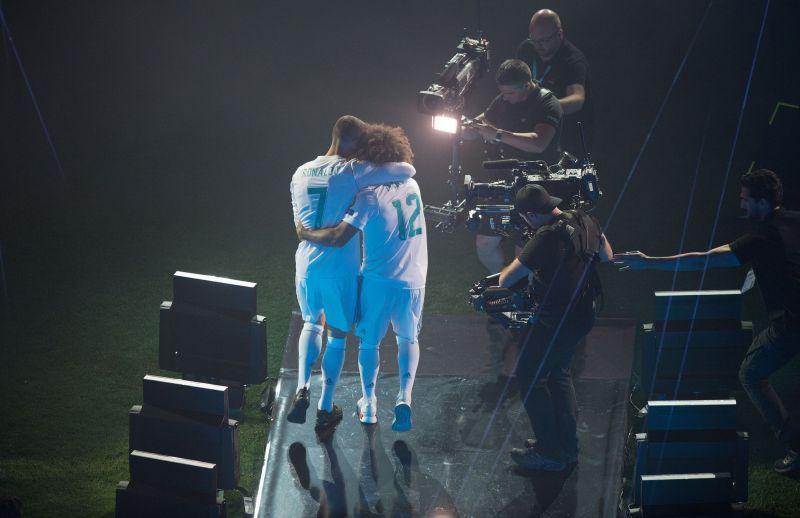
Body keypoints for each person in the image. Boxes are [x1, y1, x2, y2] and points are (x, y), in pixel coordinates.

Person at [615, 169, 800, 473]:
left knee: (751, 374)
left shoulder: (760, 238)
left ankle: (795, 444)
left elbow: (703, 259)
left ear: (763, 202)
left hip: (791, 324)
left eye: (745, 200)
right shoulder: (794, 219)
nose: (741, 205)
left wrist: (648, 263)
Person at [289, 116, 415, 438]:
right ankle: (324, 407)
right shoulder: (352, 171)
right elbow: (405, 170)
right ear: (353, 144)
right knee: (337, 335)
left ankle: (302, 387)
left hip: (305, 265)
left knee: (310, 323)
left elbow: (299, 227)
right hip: (339, 271)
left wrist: (307, 234)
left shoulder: (300, 172)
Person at [497, 183, 612, 471]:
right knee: (559, 374)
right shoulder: (585, 218)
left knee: (529, 378)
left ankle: (550, 452)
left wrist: (526, 256)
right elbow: (607, 255)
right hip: (584, 314)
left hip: (556, 320)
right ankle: (566, 448)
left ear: (531, 216)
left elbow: (505, 280)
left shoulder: (546, 235)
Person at [470, 58, 563, 274]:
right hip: (505, 184)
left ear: (526, 84)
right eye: (502, 92)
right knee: (484, 245)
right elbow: (484, 119)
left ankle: (524, 294)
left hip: (536, 186)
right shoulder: (504, 100)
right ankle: (507, 285)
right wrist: (469, 127)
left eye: (510, 93)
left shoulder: (548, 103)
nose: (505, 97)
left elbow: (539, 143)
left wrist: (498, 135)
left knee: (525, 255)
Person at [517, 9, 591, 153]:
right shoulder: (526, 49)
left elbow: (577, 100)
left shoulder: (573, 60)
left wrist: (545, 108)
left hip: (567, 137)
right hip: (532, 132)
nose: (538, 46)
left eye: (544, 41)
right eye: (535, 40)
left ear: (559, 34)